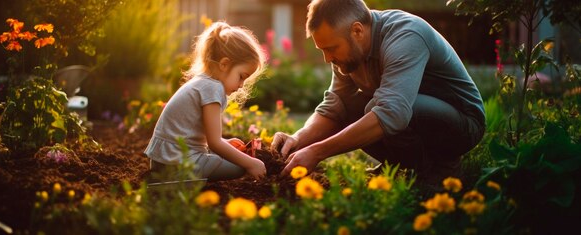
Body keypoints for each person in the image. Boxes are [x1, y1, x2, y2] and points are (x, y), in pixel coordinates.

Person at [271, 0, 485, 186]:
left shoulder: (405, 36)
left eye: (332, 48)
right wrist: (298, 139)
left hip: (462, 124)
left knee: (383, 109)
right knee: (353, 106)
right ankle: (400, 167)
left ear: (357, 31)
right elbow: (334, 106)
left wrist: (317, 152)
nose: (328, 59)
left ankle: (438, 170)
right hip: (411, 112)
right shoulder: (348, 51)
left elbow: (393, 113)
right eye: (323, 50)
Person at [145, 21, 267, 181]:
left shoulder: (203, 82)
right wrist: (251, 163)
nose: (241, 85)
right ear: (224, 64)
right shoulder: (212, 88)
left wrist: (226, 142)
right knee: (239, 168)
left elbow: (206, 138)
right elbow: (214, 143)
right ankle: (179, 178)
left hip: (164, 159)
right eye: (241, 77)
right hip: (176, 162)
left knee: (230, 159)